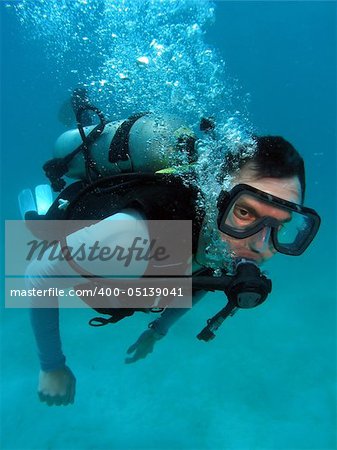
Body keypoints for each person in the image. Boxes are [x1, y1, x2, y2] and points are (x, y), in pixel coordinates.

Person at [22, 130, 320, 406]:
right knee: (39, 230)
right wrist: (51, 366)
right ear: (215, 197)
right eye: (245, 212)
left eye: (280, 225)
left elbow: (201, 279)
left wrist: (158, 330)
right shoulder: (133, 235)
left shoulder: (225, 238)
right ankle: (41, 202)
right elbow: (38, 274)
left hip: (128, 280)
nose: (261, 246)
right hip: (82, 238)